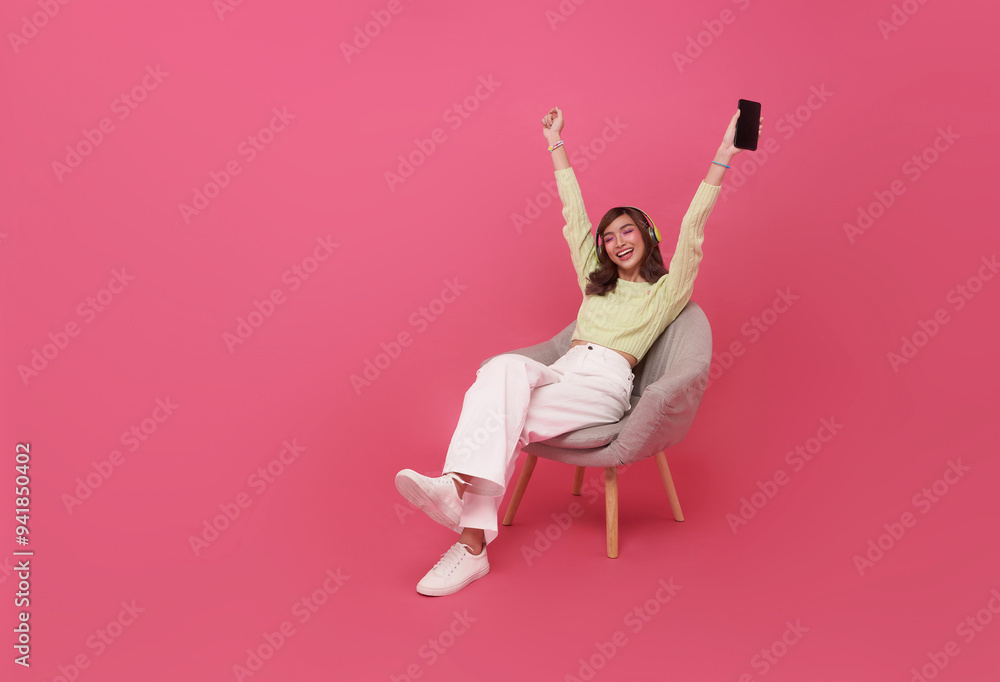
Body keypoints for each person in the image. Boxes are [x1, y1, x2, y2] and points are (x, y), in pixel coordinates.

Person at [395, 105, 763, 596]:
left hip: (605, 384)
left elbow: (694, 227)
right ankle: (458, 495)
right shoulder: (596, 284)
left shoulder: (665, 292)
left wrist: (723, 155)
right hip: (564, 369)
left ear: (648, 235)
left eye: (627, 230)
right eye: (608, 237)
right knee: (502, 370)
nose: (616, 242)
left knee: (505, 419)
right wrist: (555, 143)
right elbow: (574, 217)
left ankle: (467, 532)